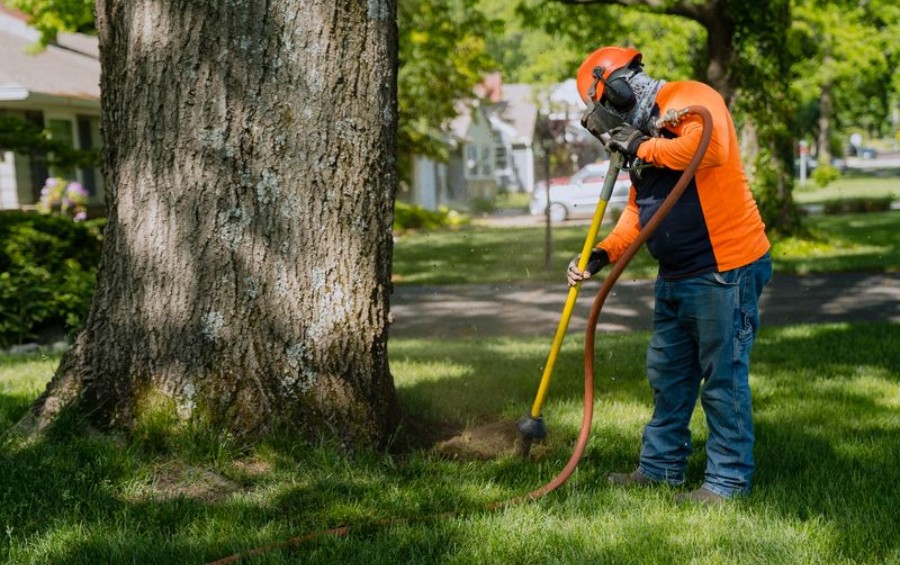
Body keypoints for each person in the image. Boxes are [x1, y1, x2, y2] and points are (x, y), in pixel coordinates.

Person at [568, 46, 773, 505]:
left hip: (726, 268)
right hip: (677, 274)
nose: (602, 121)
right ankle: (660, 469)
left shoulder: (690, 96)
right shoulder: (641, 132)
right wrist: (603, 252)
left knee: (723, 380)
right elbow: (640, 210)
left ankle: (727, 483)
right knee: (668, 375)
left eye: (601, 107)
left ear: (617, 88)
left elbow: (708, 149)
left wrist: (636, 143)